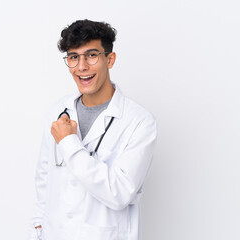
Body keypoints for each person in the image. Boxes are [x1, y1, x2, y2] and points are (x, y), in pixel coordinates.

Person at [29, 19, 157, 240]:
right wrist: (38, 230)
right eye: (73, 57)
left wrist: (69, 143)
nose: (81, 67)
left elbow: (119, 192)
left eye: (91, 55)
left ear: (110, 59)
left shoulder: (139, 122)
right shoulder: (58, 111)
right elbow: (44, 182)